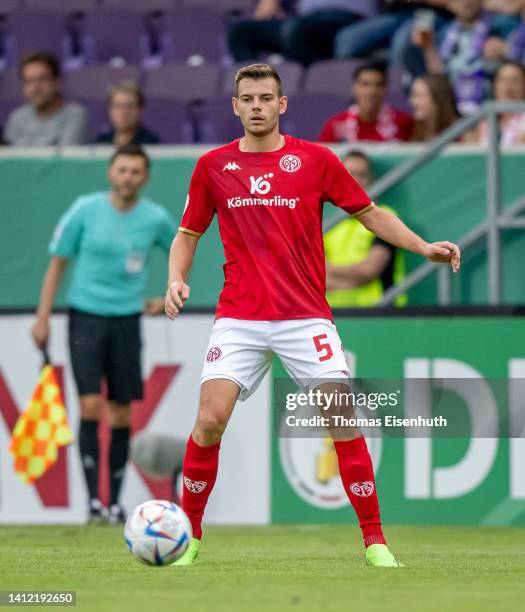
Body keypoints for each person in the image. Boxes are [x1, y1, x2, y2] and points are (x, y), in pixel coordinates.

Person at [164, 63, 460, 567]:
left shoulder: (316, 160)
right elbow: (188, 234)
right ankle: (188, 536)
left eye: (265, 98)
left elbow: (370, 214)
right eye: (247, 99)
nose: (256, 106)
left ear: (282, 105)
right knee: (210, 419)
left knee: (342, 419)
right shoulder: (212, 166)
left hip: (305, 316)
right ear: (235, 106)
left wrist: (422, 246)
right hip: (240, 316)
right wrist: (175, 278)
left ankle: (375, 541)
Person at [31, 144, 175, 524]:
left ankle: (115, 502)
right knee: (91, 405)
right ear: (111, 173)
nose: (127, 177)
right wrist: (42, 317)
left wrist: (170, 294)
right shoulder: (85, 210)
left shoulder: (155, 218)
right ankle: (94, 501)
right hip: (86, 318)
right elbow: (57, 264)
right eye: (122, 169)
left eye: (135, 171)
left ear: (145, 178)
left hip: (127, 321)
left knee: (122, 411)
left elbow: (183, 250)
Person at [324, 150, 406, 307]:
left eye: (362, 174)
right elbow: (316, 275)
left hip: (379, 311)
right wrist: (353, 280)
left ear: (372, 179)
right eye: (349, 174)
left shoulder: (387, 217)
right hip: (334, 313)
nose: (355, 180)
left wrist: (332, 271)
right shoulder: (329, 222)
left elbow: (369, 270)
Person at [409, 0, 518, 113]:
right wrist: (428, 48)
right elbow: (439, 75)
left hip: (487, 107)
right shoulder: (444, 33)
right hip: (454, 105)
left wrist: (506, 51)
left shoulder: (500, 25)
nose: (466, 2)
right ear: (449, 5)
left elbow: (517, 60)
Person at [227, 0, 373, 66]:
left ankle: (314, 80)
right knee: (239, 32)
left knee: (294, 32)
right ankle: (258, 87)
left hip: (346, 18)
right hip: (306, 20)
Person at [4, 52, 87, 146]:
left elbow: (65, 159)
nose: (35, 88)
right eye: (28, 81)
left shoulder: (75, 115)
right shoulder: (17, 118)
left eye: (42, 79)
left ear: (57, 82)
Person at [318, 62, 414, 142]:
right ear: (354, 88)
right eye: (365, 84)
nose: (372, 91)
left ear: (386, 89)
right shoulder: (336, 125)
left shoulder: (404, 122)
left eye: (379, 85)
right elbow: (320, 161)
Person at [464, 59, 525, 145]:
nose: (508, 86)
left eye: (515, 80)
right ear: (494, 86)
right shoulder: (483, 123)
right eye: (502, 80)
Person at [95, 81, 160, 146]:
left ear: (140, 110)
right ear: (109, 109)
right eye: (118, 106)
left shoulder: (150, 143)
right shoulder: (101, 141)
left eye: (130, 106)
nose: (124, 112)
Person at [409, 73, 460, 141]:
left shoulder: (461, 132)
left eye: (419, 95)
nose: (412, 102)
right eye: (413, 95)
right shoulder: (414, 130)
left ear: (437, 99)